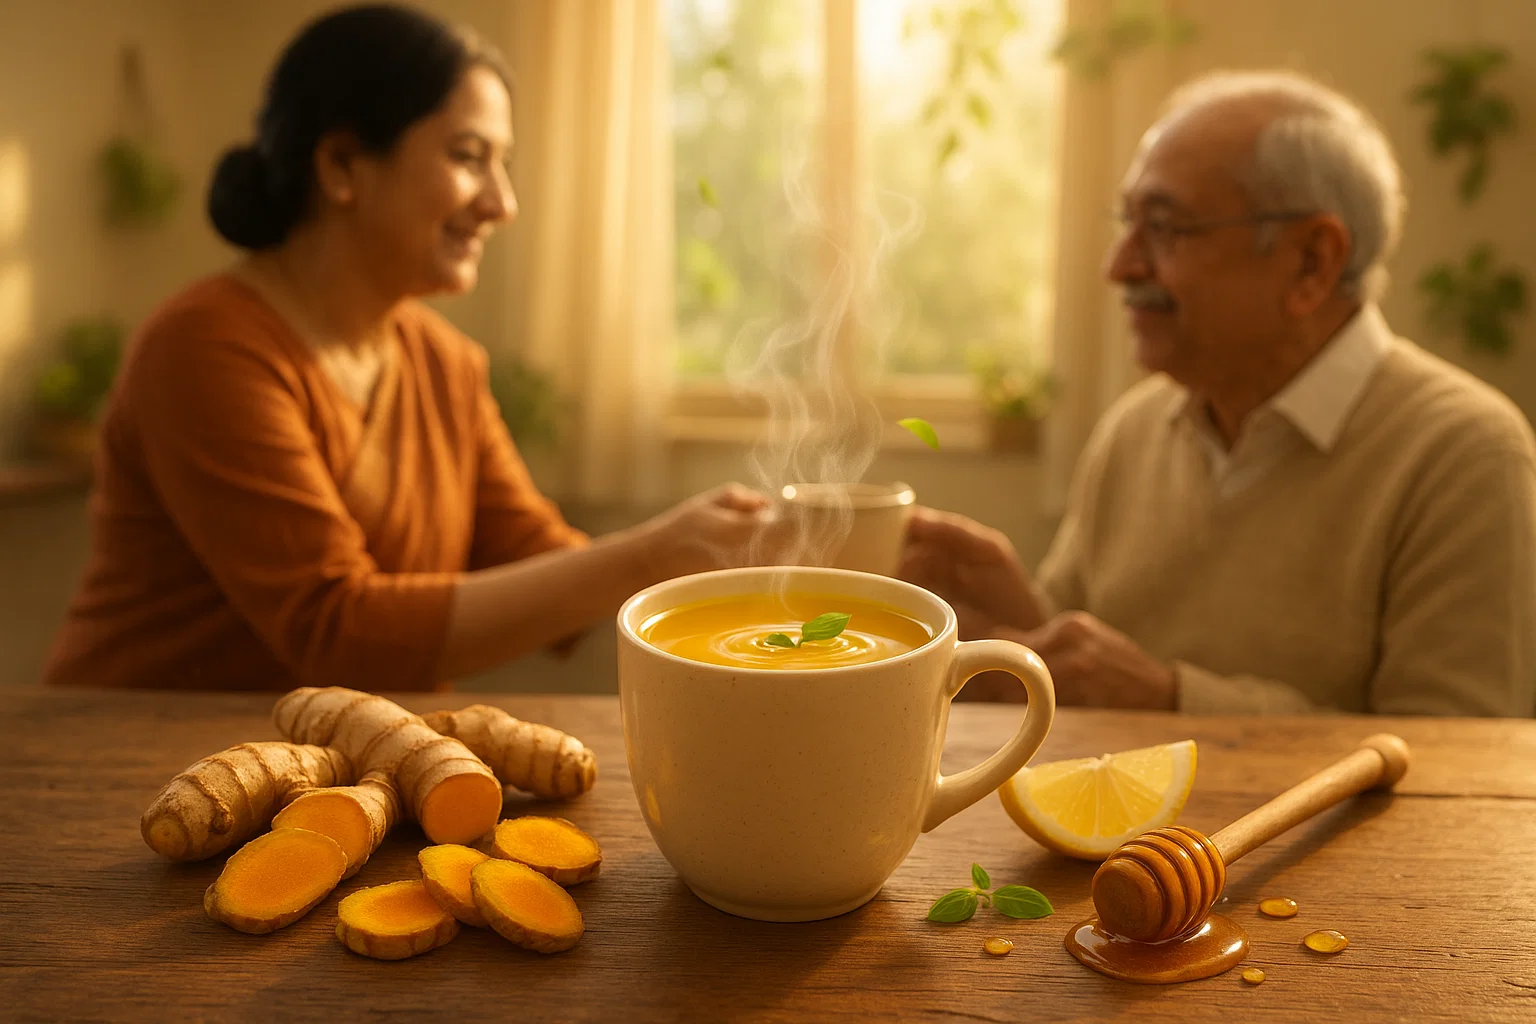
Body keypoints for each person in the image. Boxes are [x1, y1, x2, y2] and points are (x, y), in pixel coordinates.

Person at [44, 4, 765, 692]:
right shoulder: (204, 349)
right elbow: (336, 632)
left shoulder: (443, 364)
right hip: (130, 767)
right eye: (469, 156)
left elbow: (543, 564)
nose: (502, 203)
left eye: (501, 163)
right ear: (342, 166)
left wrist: (761, 555)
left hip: (340, 777)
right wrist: (649, 553)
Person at [901, 70, 1536, 717]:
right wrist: (1022, 624)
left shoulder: (1464, 452)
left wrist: (1172, 700)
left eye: (1164, 226)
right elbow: (1090, 685)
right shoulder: (1137, 427)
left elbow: (1457, 762)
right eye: (1127, 223)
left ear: (1311, 262)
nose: (1119, 266)